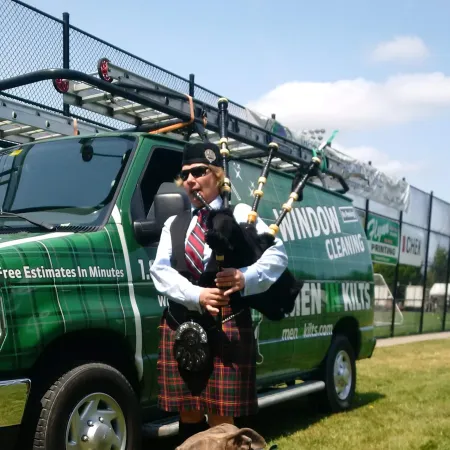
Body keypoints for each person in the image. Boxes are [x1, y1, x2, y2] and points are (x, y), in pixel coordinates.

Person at [149, 141, 288, 441]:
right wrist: (195, 295)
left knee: (222, 416)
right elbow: (159, 270)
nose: (190, 180)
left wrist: (244, 277)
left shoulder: (239, 214)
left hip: (227, 325)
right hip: (181, 325)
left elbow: (278, 255)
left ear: (217, 175)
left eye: (199, 172)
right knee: (187, 410)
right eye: (185, 174)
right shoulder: (174, 223)